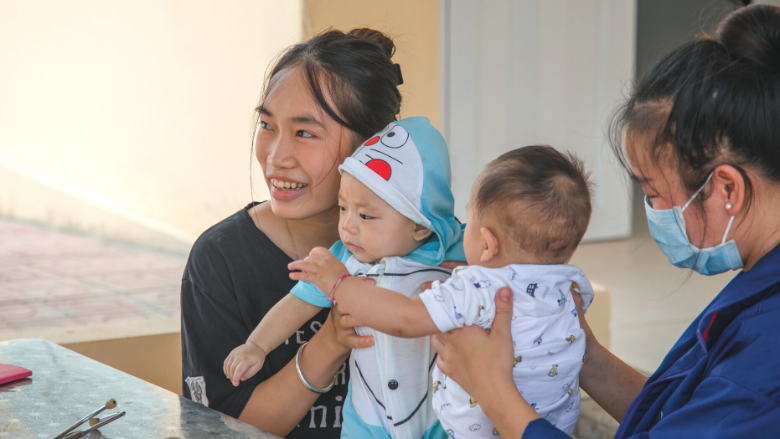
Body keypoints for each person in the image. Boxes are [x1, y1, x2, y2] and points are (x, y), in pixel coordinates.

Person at [429, 4, 780, 438]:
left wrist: (492, 389)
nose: (651, 210)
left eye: (652, 193)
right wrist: (585, 355)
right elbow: (686, 419)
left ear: (727, 190)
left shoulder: (766, 350)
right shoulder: (760, 285)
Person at [180, 28, 401, 438]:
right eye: (267, 125)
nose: (276, 157)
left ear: (371, 148)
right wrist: (332, 340)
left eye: (304, 133)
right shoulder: (220, 260)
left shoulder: (419, 247)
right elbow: (220, 429)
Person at [293, 145, 596, 437]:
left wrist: (339, 284)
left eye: (469, 218)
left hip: (484, 428)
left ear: (488, 244)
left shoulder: (476, 288)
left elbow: (405, 320)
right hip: (552, 426)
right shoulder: (572, 286)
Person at [224, 117, 464, 439]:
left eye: (365, 215)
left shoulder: (452, 255)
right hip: (367, 422)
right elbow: (297, 303)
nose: (348, 226)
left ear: (421, 225)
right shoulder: (343, 262)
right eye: (342, 208)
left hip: (440, 418)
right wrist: (257, 345)